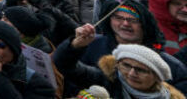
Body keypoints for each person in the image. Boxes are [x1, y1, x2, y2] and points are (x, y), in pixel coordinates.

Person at [55, 42, 183, 99]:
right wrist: (75, 45)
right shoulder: (105, 81)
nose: (132, 73)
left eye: (141, 70)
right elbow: (66, 66)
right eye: (126, 66)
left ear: (157, 77)